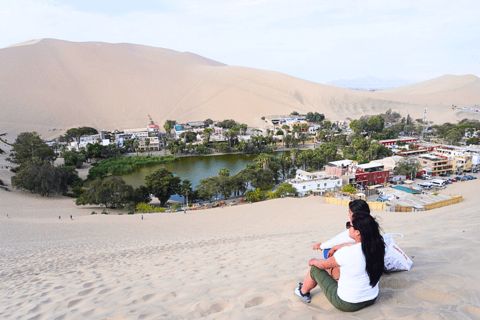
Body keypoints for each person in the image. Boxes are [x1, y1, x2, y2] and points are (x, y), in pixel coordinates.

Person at [295, 214, 386, 312]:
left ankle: (302, 292)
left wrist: (313, 261)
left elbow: (323, 264)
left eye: (349, 226)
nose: (348, 228)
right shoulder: (378, 247)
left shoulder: (347, 252)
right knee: (337, 269)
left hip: (348, 303)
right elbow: (356, 246)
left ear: (357, 232)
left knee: (315, 268)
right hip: (372, 298)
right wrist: (336, 247)